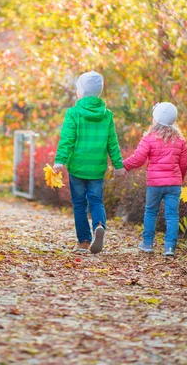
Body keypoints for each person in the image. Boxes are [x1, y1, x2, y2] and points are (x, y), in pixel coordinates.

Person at [53, 71, 127, 254]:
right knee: (96, 201)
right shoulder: (107, 115)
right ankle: (99, 226)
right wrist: (118, 165)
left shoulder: (73, 113)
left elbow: (67, 140)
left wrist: (60, 161)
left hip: (77, 168)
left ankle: (84, 242)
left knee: (79, 204)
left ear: (81, 91)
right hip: (97, 169)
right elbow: (112, 142)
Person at [122, 102, 187, 257]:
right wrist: (180, 178)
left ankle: (147, 243)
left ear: (156, 120)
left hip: (155, 184)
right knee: (172, 215)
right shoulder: (180, 140)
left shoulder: (150, 138)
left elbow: (138, 159)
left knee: (151, 212)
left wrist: (123, 166)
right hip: (174, 184)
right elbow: (184, 163)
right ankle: (170, 247)